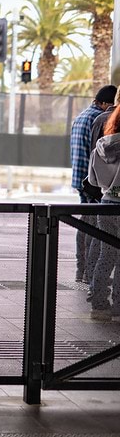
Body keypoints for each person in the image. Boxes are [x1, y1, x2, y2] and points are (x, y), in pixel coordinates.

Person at [71, 84, 117, 283]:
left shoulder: (83, 116)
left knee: (86, 225)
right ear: (106, 103)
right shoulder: (99, 119)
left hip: (85, 179)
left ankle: (83, 271)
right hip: (98, 184)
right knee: (96, 233)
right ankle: (89, 274)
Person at [86, 104, 120, 321]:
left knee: (106, 254)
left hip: (106, 204)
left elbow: (92, 181)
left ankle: (98, 304)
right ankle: (119, 305)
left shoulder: (102, 146)